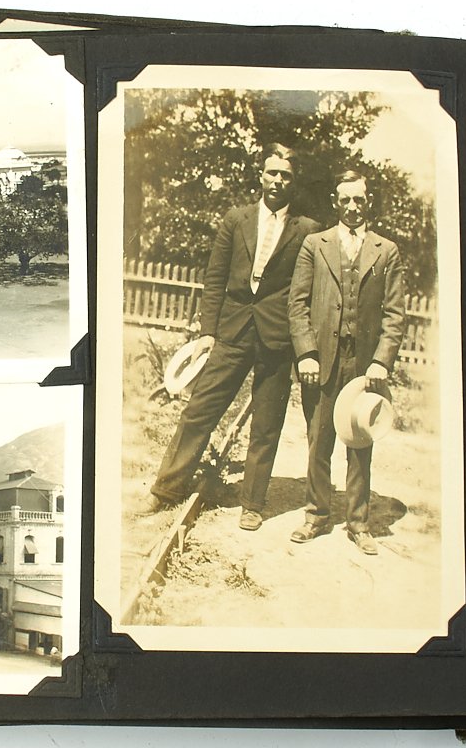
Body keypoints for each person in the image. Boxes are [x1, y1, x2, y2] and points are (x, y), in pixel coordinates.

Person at [141, 143, 321, 530]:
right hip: (232, 332)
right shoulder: (236, 219)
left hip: (277, 338)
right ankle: (166, 489)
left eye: (285, 175)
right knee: (199, 410)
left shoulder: (307, 230)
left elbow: (306, 292)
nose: (277, 180)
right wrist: (208, 332)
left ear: (293, 182)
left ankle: (252, 503)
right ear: (261, 175)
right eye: (272, 173)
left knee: (266, 424)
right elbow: (215, 278)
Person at [287, 169, 406, 555]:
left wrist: (381, 361)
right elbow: (297, 304)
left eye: (359, 199)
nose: (353, 206)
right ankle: (316, 515)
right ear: (335, 203)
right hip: (321, 361)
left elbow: (395, 315)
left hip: (364, 364)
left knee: (360, 441)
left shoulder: (386, 250)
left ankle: (358, 523)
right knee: (318, 440)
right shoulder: (314, 244)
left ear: (368, 201)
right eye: (346, 200)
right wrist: (306, 353)